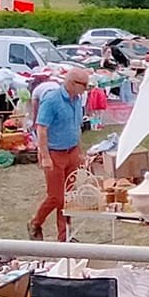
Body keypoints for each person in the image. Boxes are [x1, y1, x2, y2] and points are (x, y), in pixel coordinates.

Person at [29, 66, 89, 240]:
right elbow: (41, 129)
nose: (86, 89)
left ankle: (64, 236)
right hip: (55, 153)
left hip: (72, 151)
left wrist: (80, 152)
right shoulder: (52, 100)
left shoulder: (77, 100)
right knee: (56, 196)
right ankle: (35, 222)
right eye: (83, 85)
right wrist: (45, 156)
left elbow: (76, 127)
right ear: (71, 83)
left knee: (68, 197)